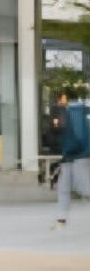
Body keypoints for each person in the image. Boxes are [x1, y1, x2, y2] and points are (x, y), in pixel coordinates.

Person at [56, 89, 90, 228]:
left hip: (75, 155)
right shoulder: (75, 113)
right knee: (65, 185)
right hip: (72, 155)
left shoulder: (74, 113)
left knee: (80, 187)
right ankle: (62, 217)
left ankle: (62, 217)